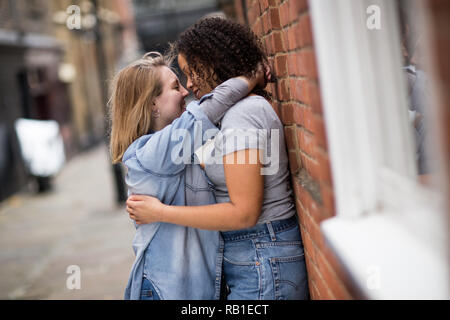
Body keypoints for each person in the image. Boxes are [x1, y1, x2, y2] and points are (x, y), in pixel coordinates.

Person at [126, 17, 309, 300]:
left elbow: (244, 212)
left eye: (191, 72)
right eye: (179, 82)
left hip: (261, 255)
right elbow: (200, 115)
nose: (188, 86)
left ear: (211, 64)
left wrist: (160, 212)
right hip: (254, 258)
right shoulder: (225, 118)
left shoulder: (241, 115)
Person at [109, 51, 263, 299]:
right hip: (168, 291)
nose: (185, 91)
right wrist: (250, 77)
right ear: (152, 104)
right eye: (175, 86)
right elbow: (208, 109)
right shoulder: (153, 151)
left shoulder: (170, 149)